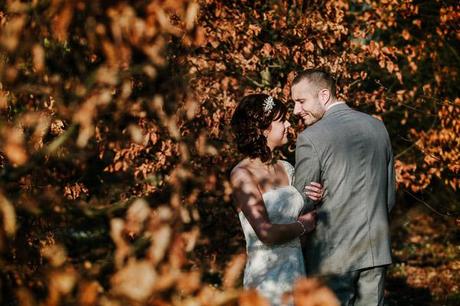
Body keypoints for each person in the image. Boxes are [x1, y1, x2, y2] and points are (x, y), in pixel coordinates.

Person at [291, 69, 396, 306]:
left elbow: (300, 203)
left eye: (301, 101)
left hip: (332, 255)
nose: (297, 110)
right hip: (375, 250)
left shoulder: (311, 137)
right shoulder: (378, 128)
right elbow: (388, 198)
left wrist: (312, 201)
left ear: (324, 95)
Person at [230, 93, 324, 306]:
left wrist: (316, 197)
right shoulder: (242, 174)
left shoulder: (287, 168)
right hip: (266, 278)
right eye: (281, 120)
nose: (289, 123)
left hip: (297, 270)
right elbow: (266, 232)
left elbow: (302, 215)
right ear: (263, 129)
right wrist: (304, 225)